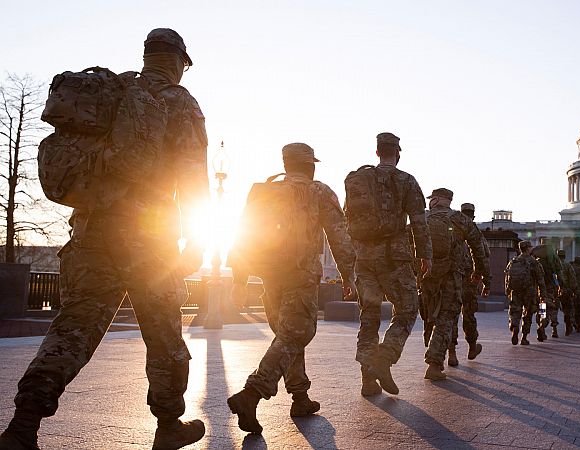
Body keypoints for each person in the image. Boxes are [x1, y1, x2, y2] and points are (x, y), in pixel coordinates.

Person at [0, 29, 208, 450]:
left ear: (147, 56)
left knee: (73, 328)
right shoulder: (178, 102)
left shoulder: (113, 95)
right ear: (179, 62)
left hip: (92, 233)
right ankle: (169, 426)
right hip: (150, 239)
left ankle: (24, 424)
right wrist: (197, 238)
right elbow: (191, 174)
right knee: (165, 337)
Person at [226, 143, 356, 433]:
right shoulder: (319, 191)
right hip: (301, 275)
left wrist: (239, 278)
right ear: (310, 165)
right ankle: (251, 394)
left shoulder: (264, 191)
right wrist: (349, 275)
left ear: (286, 164)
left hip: (269, 274)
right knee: (298, 333)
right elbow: (340, 237)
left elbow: (242, 233)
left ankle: (300, 397)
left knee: (287, 336)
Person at [344, 132, 432, 396]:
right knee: (407, 309)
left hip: (363, 258)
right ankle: (384, 359)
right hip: (394, 258)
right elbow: (418, 221)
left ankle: (368, 380)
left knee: (369, 317)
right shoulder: (406, 180)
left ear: (377, 152)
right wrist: (424, 254)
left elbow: (349, 216)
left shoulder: (358, 179)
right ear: (398, 153)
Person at [421, 188, 489, 381]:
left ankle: (438, 349)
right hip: (451, 275)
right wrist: (479, 273)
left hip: (426, 275)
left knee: (431, 315)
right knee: (447, 317)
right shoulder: (460, 219)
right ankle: (435, 364)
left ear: (438, 199)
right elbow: (479, 248)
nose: (431, 201)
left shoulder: (422, 218)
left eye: (433, 198)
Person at [447, 202, 491, 366]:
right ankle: (472, 347)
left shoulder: (451, 230)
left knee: (452, 316)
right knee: (469, 315)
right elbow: (483, 259)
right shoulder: (475, 233)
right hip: (470, 281)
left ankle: (451, 353)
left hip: (453, 278)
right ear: (473, 215)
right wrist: (486, 282)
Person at [505, 240, 547, 344]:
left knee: (515, 312)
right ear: (528, 248)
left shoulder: (513, 261)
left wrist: (508, 290)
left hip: (515, 291)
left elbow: (507, 276)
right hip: (530, 292)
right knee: (527, 314)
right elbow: (540, 280)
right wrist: (542, 294)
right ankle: (524, 337)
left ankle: (514, 329)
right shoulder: (534, 262)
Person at [557, 249, 578, 335]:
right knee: (568, 309)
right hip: (566, 291)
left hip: (553, 291)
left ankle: (543, 325)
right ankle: (568, 326)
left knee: (545, 309)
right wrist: (574, 290)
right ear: (564, 256)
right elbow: (572, 279)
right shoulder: (568, 265)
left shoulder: (553, 265)